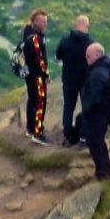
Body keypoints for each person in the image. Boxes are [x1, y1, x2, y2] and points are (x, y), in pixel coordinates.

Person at [80, 42, 110, 181]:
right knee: (98, 143)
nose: (86, 58)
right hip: (102, 114)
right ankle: (103, 171)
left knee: (96, 144)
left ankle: (104, 175)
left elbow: (96, 98)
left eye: (88, 56)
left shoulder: (97, 74)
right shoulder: (105, 68)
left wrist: (86, 111)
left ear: (97, 55)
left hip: (96, 116)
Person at [54, 14, 93, 146]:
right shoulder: (90, 43)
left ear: (75, 25)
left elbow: (58, 55)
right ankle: (83, 136)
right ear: (87, 26)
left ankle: (68, 135)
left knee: (68, 107)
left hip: (68, 80)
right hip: (85, 81)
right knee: (87, 107)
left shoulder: (65, 40)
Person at [21, 8, 52, 146]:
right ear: (34, 21)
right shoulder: (35, 38)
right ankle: (38, 132)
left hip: (30, 75)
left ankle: (30, 128)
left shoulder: (28, 33)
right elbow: (40, 59)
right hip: (37, 76)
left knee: (32, 100)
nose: (45, 23)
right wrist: (46, 75)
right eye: (42, 21)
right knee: (40, 102)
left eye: (46, 21)